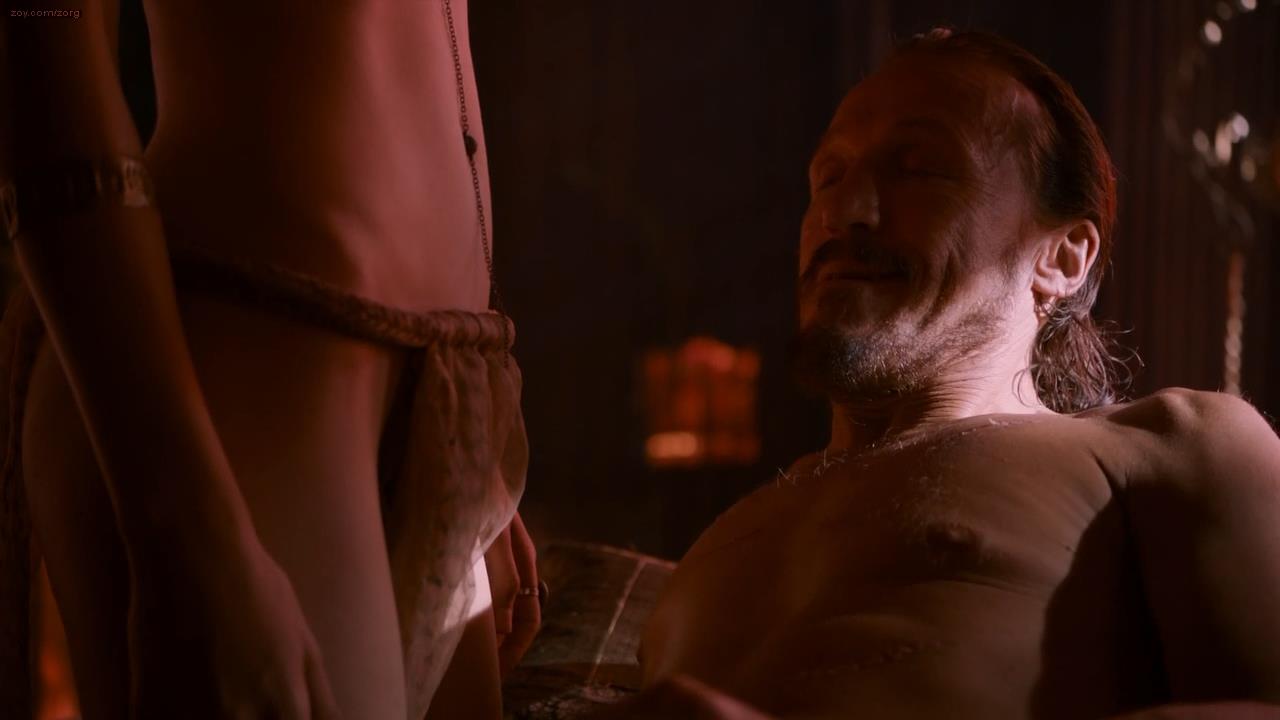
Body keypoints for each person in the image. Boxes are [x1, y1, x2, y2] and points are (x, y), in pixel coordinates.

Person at [634, 30, 1280, 719]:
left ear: (1062, 257)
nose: (842, 213)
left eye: (918, 169)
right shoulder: (716, 544)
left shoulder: (1170, 448)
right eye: (828, 178)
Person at [0, 0, 539, 718]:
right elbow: (37, 29)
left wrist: (473, 445)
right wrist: (184, 530)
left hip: (436, 388)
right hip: (239, 381)